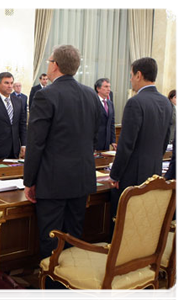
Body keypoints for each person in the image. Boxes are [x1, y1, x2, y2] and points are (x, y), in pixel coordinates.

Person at [23, 45, 100, 300]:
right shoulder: (90, 95)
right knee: (73, 238)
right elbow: (93, 136)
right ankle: (68, 291)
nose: (47, 64)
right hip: (81, 179)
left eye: (49, 61)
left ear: (55, 65)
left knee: (51, 241)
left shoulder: (46, 95)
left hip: (53, 182)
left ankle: (53, 294)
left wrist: (29, 181)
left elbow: (36, 143)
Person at [107, 57, 172, 231]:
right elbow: (165, 140)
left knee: (124, 223)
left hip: (132, 176)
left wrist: (114, 175)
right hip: (155, 171)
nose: (130, 80)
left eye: (131, 75)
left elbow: (127, 145)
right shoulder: (166, 102)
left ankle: (116, 256)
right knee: (145, 224)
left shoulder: (135, 102)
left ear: (139, 75)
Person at [94, 78, 117, 151]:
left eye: (109, 87)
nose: (109, 89)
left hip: (106, 141)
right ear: (98, 88)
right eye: (106, 87)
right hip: (95, 141)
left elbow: (111, 123)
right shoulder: (93, 102)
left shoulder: (110, 104)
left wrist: (113, 140)